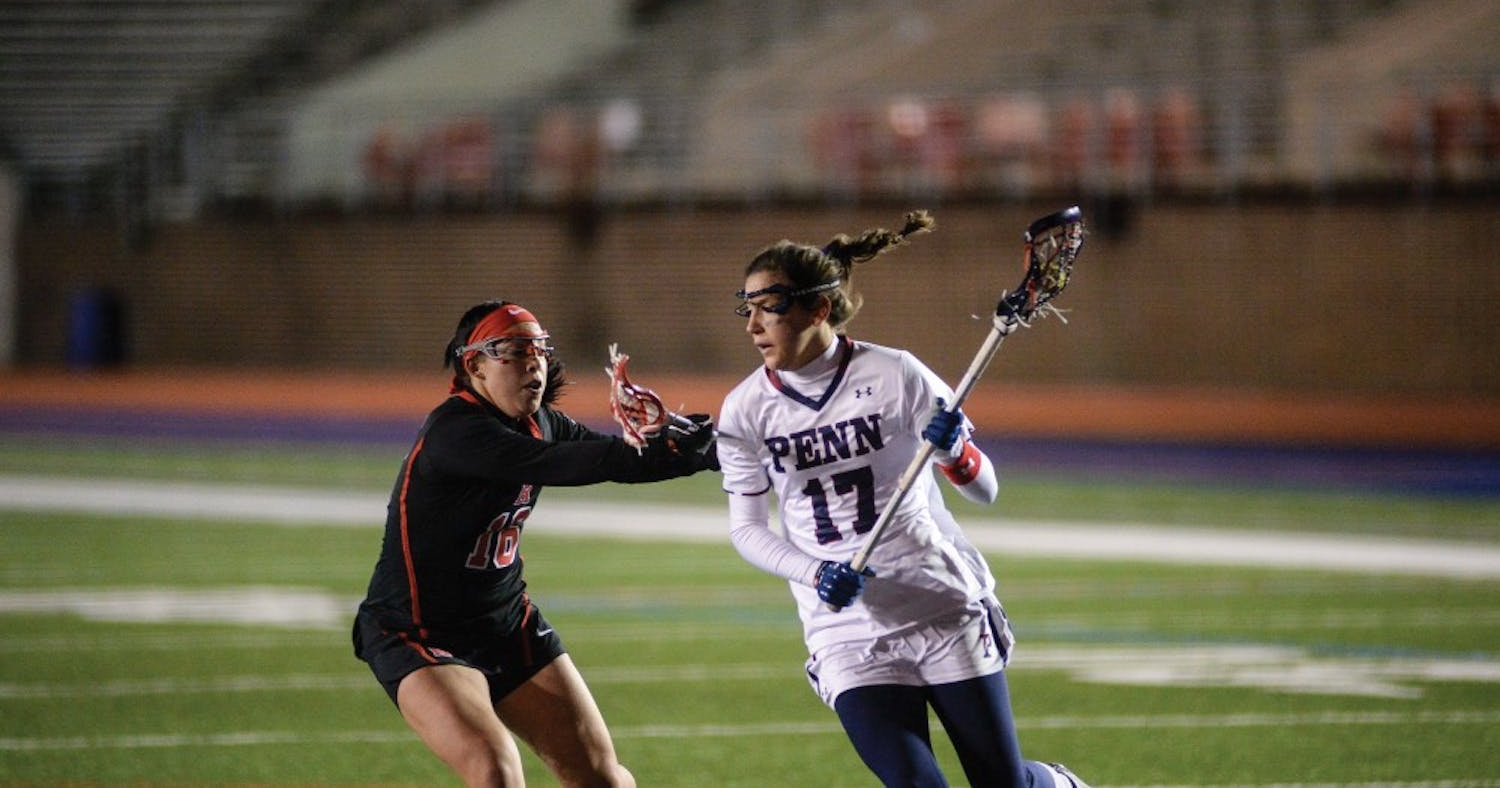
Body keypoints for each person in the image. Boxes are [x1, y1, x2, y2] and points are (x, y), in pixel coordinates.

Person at [715, 212, 1088, 788]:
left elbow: (986, 489)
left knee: (1002, 783)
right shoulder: (745, 410)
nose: (754, 325)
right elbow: (747, 530)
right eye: (749, 307)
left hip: (941, 605)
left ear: (818, 309)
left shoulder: (896, 374)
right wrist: (814, 572)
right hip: (846, 629)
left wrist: (953, 452)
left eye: (771, 306)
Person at [353, 299, 718, 788]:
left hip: (505, 622)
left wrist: (700, 448)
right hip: (419, 633)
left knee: (604, 778)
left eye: (540, 351)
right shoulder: (455, 431)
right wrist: (662, 449)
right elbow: (571, 464)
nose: (534, 364)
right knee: (495, 768)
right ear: (474, 364)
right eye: (515, 352)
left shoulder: (540, 421)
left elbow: (614, 458)